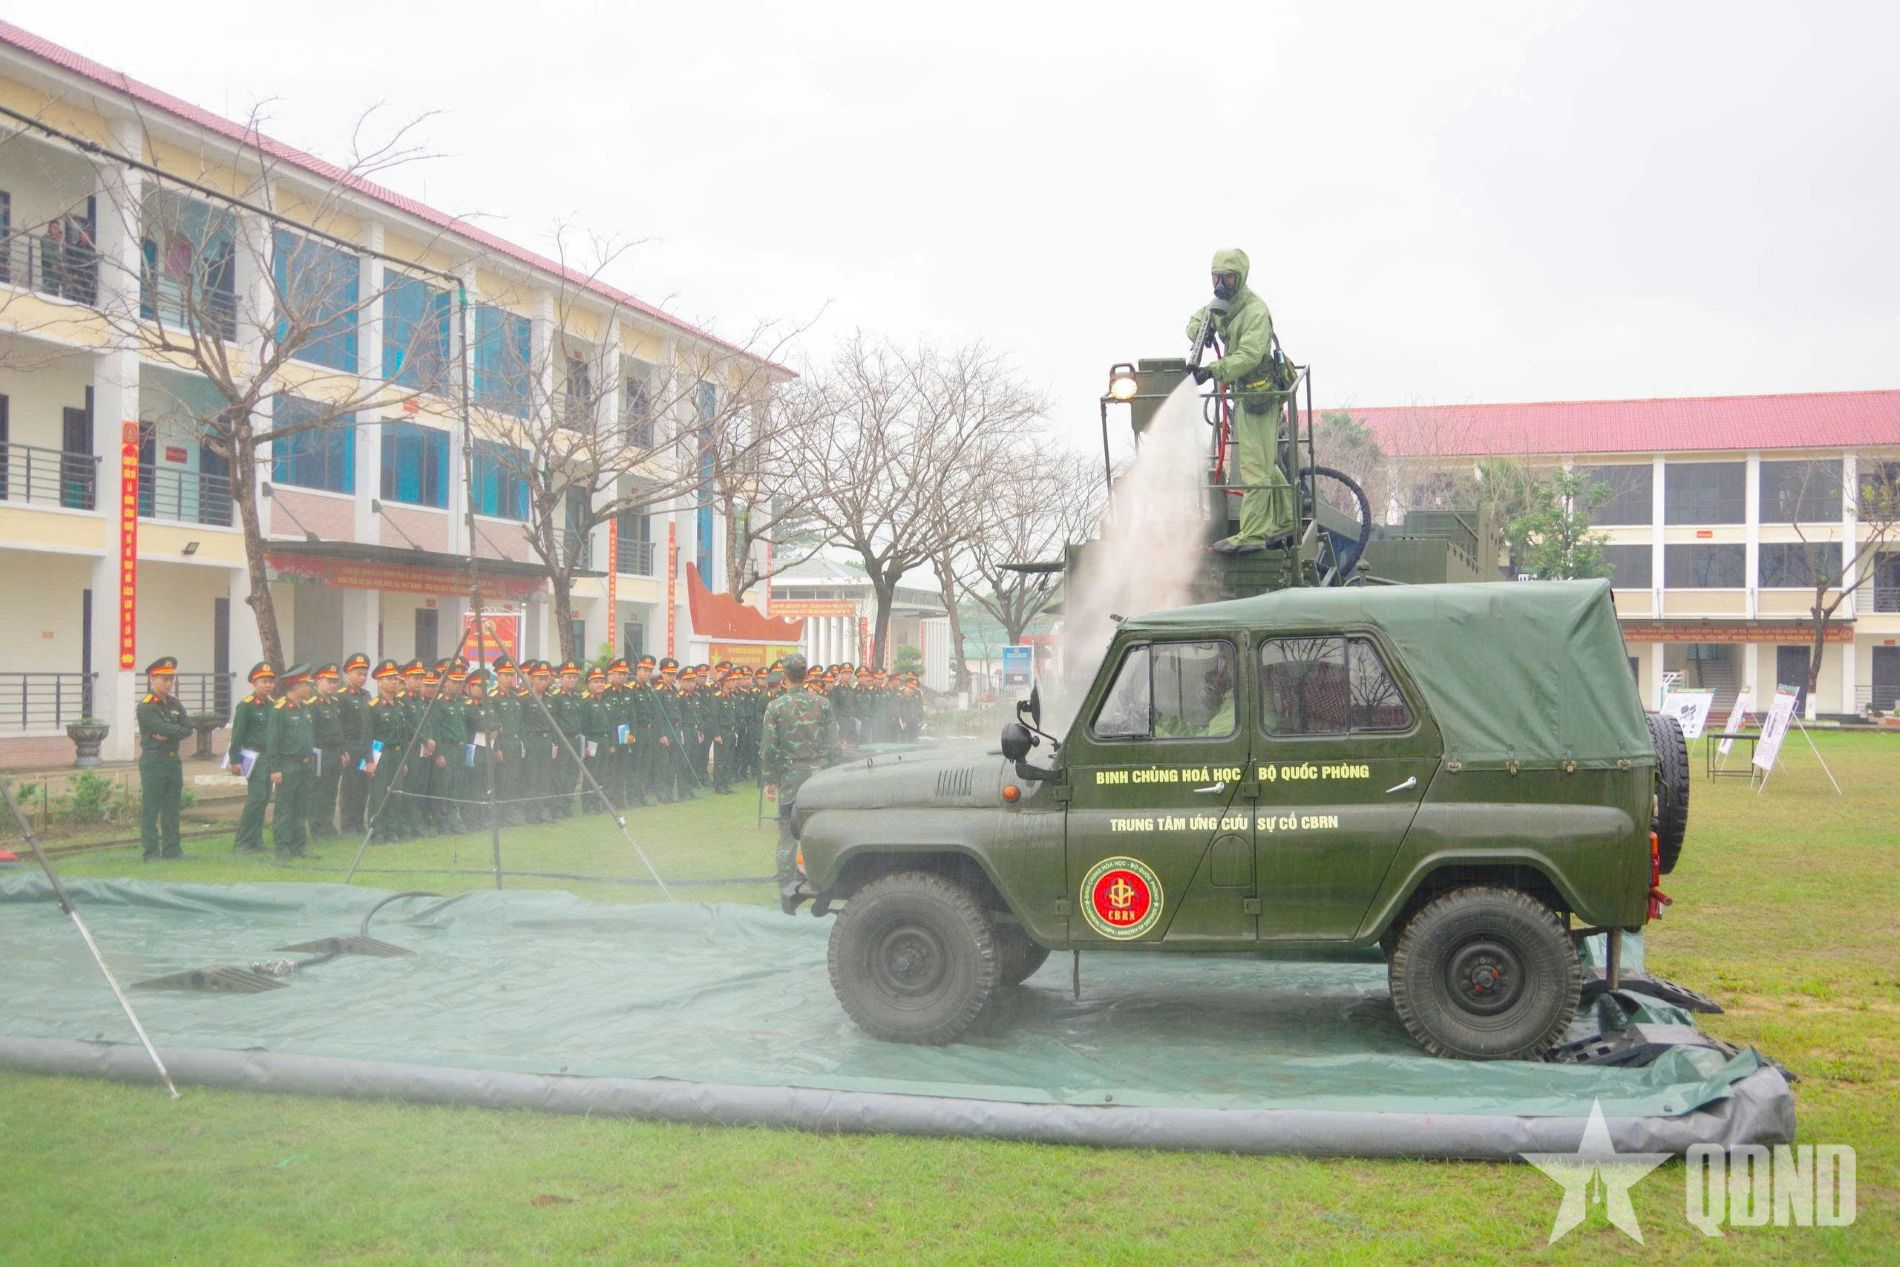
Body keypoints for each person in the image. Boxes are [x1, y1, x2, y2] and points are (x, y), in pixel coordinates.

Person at [1186, 247, 1296, 554]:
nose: (1221, 284)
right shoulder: (1223, 306)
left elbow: (1248, 355)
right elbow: (1196, 319)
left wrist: (1213, 370)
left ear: (1241, 278)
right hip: (1243, 393)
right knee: (1261, 459)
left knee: (1254, 466)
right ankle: (1286, 516)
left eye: (1228, 278)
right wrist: (1200, 333)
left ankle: (1252, 533)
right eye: (1216, 277)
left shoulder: (1255, 311)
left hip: (1261, 393)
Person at [760, 653, 843, 900]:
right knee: (819, 830)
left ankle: (785, 885)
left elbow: (768, 748)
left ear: (785, 677)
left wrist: (769, 780)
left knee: (787, 832)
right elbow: (833, 744)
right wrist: (836, 772)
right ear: (805, 675)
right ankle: (821, 880)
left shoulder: (775, 707)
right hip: (820, 778)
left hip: (791, 778)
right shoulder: (822, 703)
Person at [136, 656, 195, 860]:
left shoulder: (175, 703)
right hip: (154, 759)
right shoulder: (146, 706)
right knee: (151, 807)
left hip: (172, 760)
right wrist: (171, 731)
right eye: (164, 679)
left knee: (172, 807)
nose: (169, 683)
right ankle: (151, 852)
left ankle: (172, 850)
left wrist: (169, 733)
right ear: (153, 679)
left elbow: (188, 729)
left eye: (171, 679)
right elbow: (161, 727)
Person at [265, 665, 317, 859]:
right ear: (296, 686)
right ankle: (283, 847)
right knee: (285, 808)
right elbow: (273, 740)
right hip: (287, 765)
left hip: (304, 764)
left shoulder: (305, 708)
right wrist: (275, 768)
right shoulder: (280, 709)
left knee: (301, 807)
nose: (310, 688)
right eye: (306, 685)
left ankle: (299, 846)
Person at [228, 662, 277, 853]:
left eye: (270, 682)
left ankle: (255, 840)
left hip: (269, 756)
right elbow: (238, 734)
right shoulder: (246, 706)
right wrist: (234, 760)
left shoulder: (273, 705)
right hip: (253, 756)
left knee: (264, 798)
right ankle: (242, 841)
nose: (267, 685)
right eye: (263, 681)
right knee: (256, 798)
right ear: (254, 683)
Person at [307, 663, 345, 840]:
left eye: (335, 681)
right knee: (318, 792)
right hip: (319, 752)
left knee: (330, 791)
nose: (332, 685)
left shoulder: (335, 703)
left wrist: (343, 751)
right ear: (318, 682)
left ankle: (328, 826)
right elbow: (311, 733)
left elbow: (339, 730)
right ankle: (317, 828)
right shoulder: (313, 704)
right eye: (329, 681)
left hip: (334, 753)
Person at [337, 653, 373, 832]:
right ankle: (347, 824)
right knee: (350, 786)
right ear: (348, 673)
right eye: (358, 673)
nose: (362, 677)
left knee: (362, 786)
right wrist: (343, 750)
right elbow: (339, 726)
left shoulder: (367, 696)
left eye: (365, 674)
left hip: (364, 747)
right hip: (350, 746)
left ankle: (359, 823)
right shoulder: (341, 696)